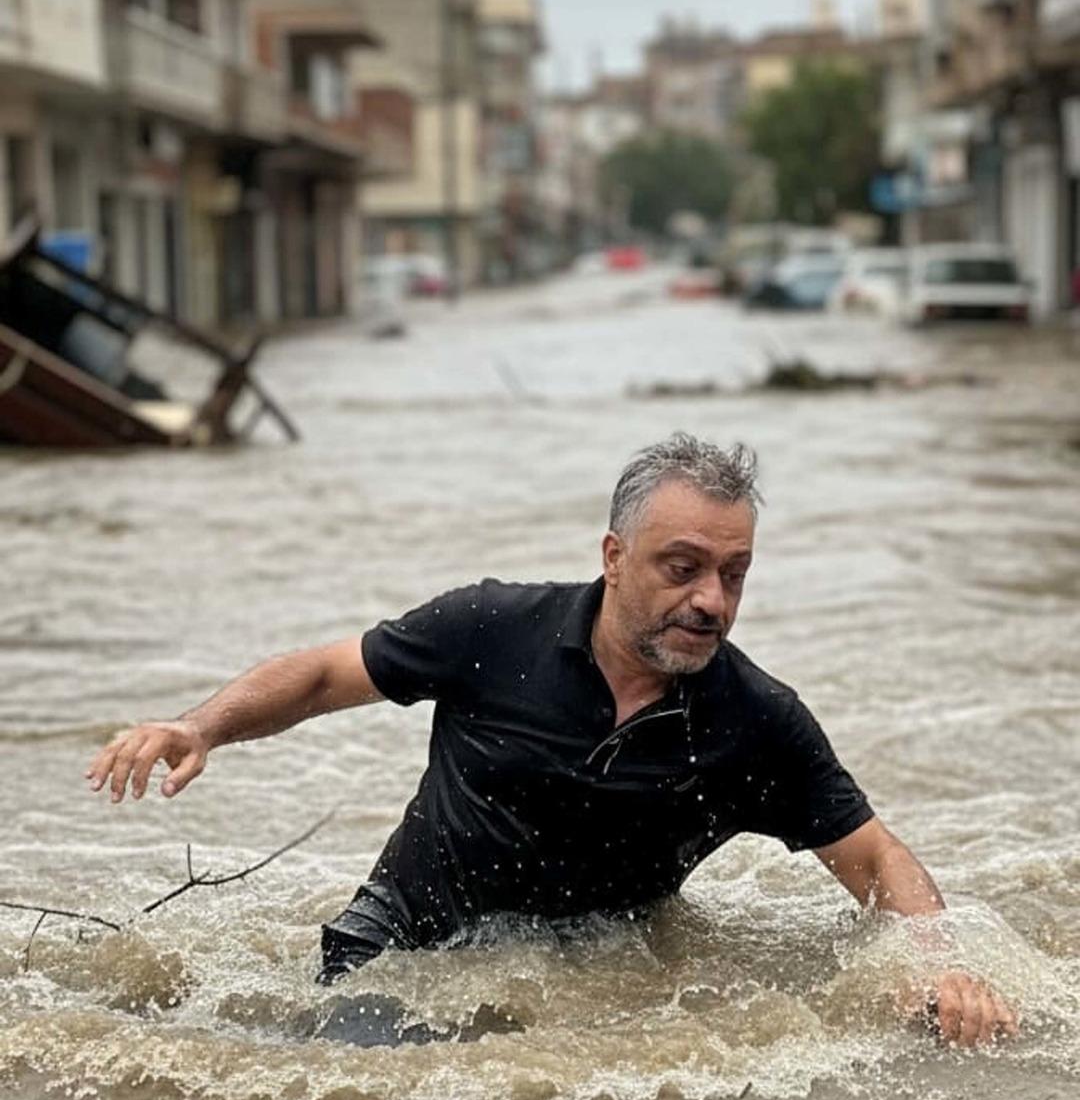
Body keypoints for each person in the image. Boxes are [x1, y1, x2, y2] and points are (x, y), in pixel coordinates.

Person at [87, 433, 1016, 1048]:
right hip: (404, 940)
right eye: (683, 567)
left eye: (734, 574)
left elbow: (874, 854)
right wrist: (198, 724)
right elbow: (330, 672)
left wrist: (937, 965)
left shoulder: (755, 720)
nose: (711, 600)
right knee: (329, 1067)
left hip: (593, 964)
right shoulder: (493, 627)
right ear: (613, 559)